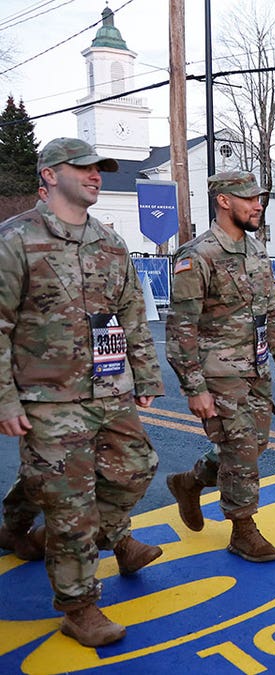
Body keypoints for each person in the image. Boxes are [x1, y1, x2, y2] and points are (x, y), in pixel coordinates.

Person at [0, 138, 164, 646]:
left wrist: (146, 375)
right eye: (85, 168)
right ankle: (79, 606)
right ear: (50, 175)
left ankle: (55, 529)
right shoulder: (16, 240)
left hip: (108, 387)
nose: (96, 176)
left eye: (100, 170)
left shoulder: (109, 241)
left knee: (137, 467)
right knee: (71, 501)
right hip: (46, 397)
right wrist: (5, 398)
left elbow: (132, 312)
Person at [165, 170, 275, 566]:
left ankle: (190, 482)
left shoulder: (255, 249)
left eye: (260, 199)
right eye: (249, 198)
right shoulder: (198, 255)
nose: (258, 205)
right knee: (240, 449)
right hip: (218, 371)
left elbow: (271, 308)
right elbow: (181, 328)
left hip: (256, 367)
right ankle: (243, 528)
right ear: (224, 201)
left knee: (255, 444)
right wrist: (194, 388)